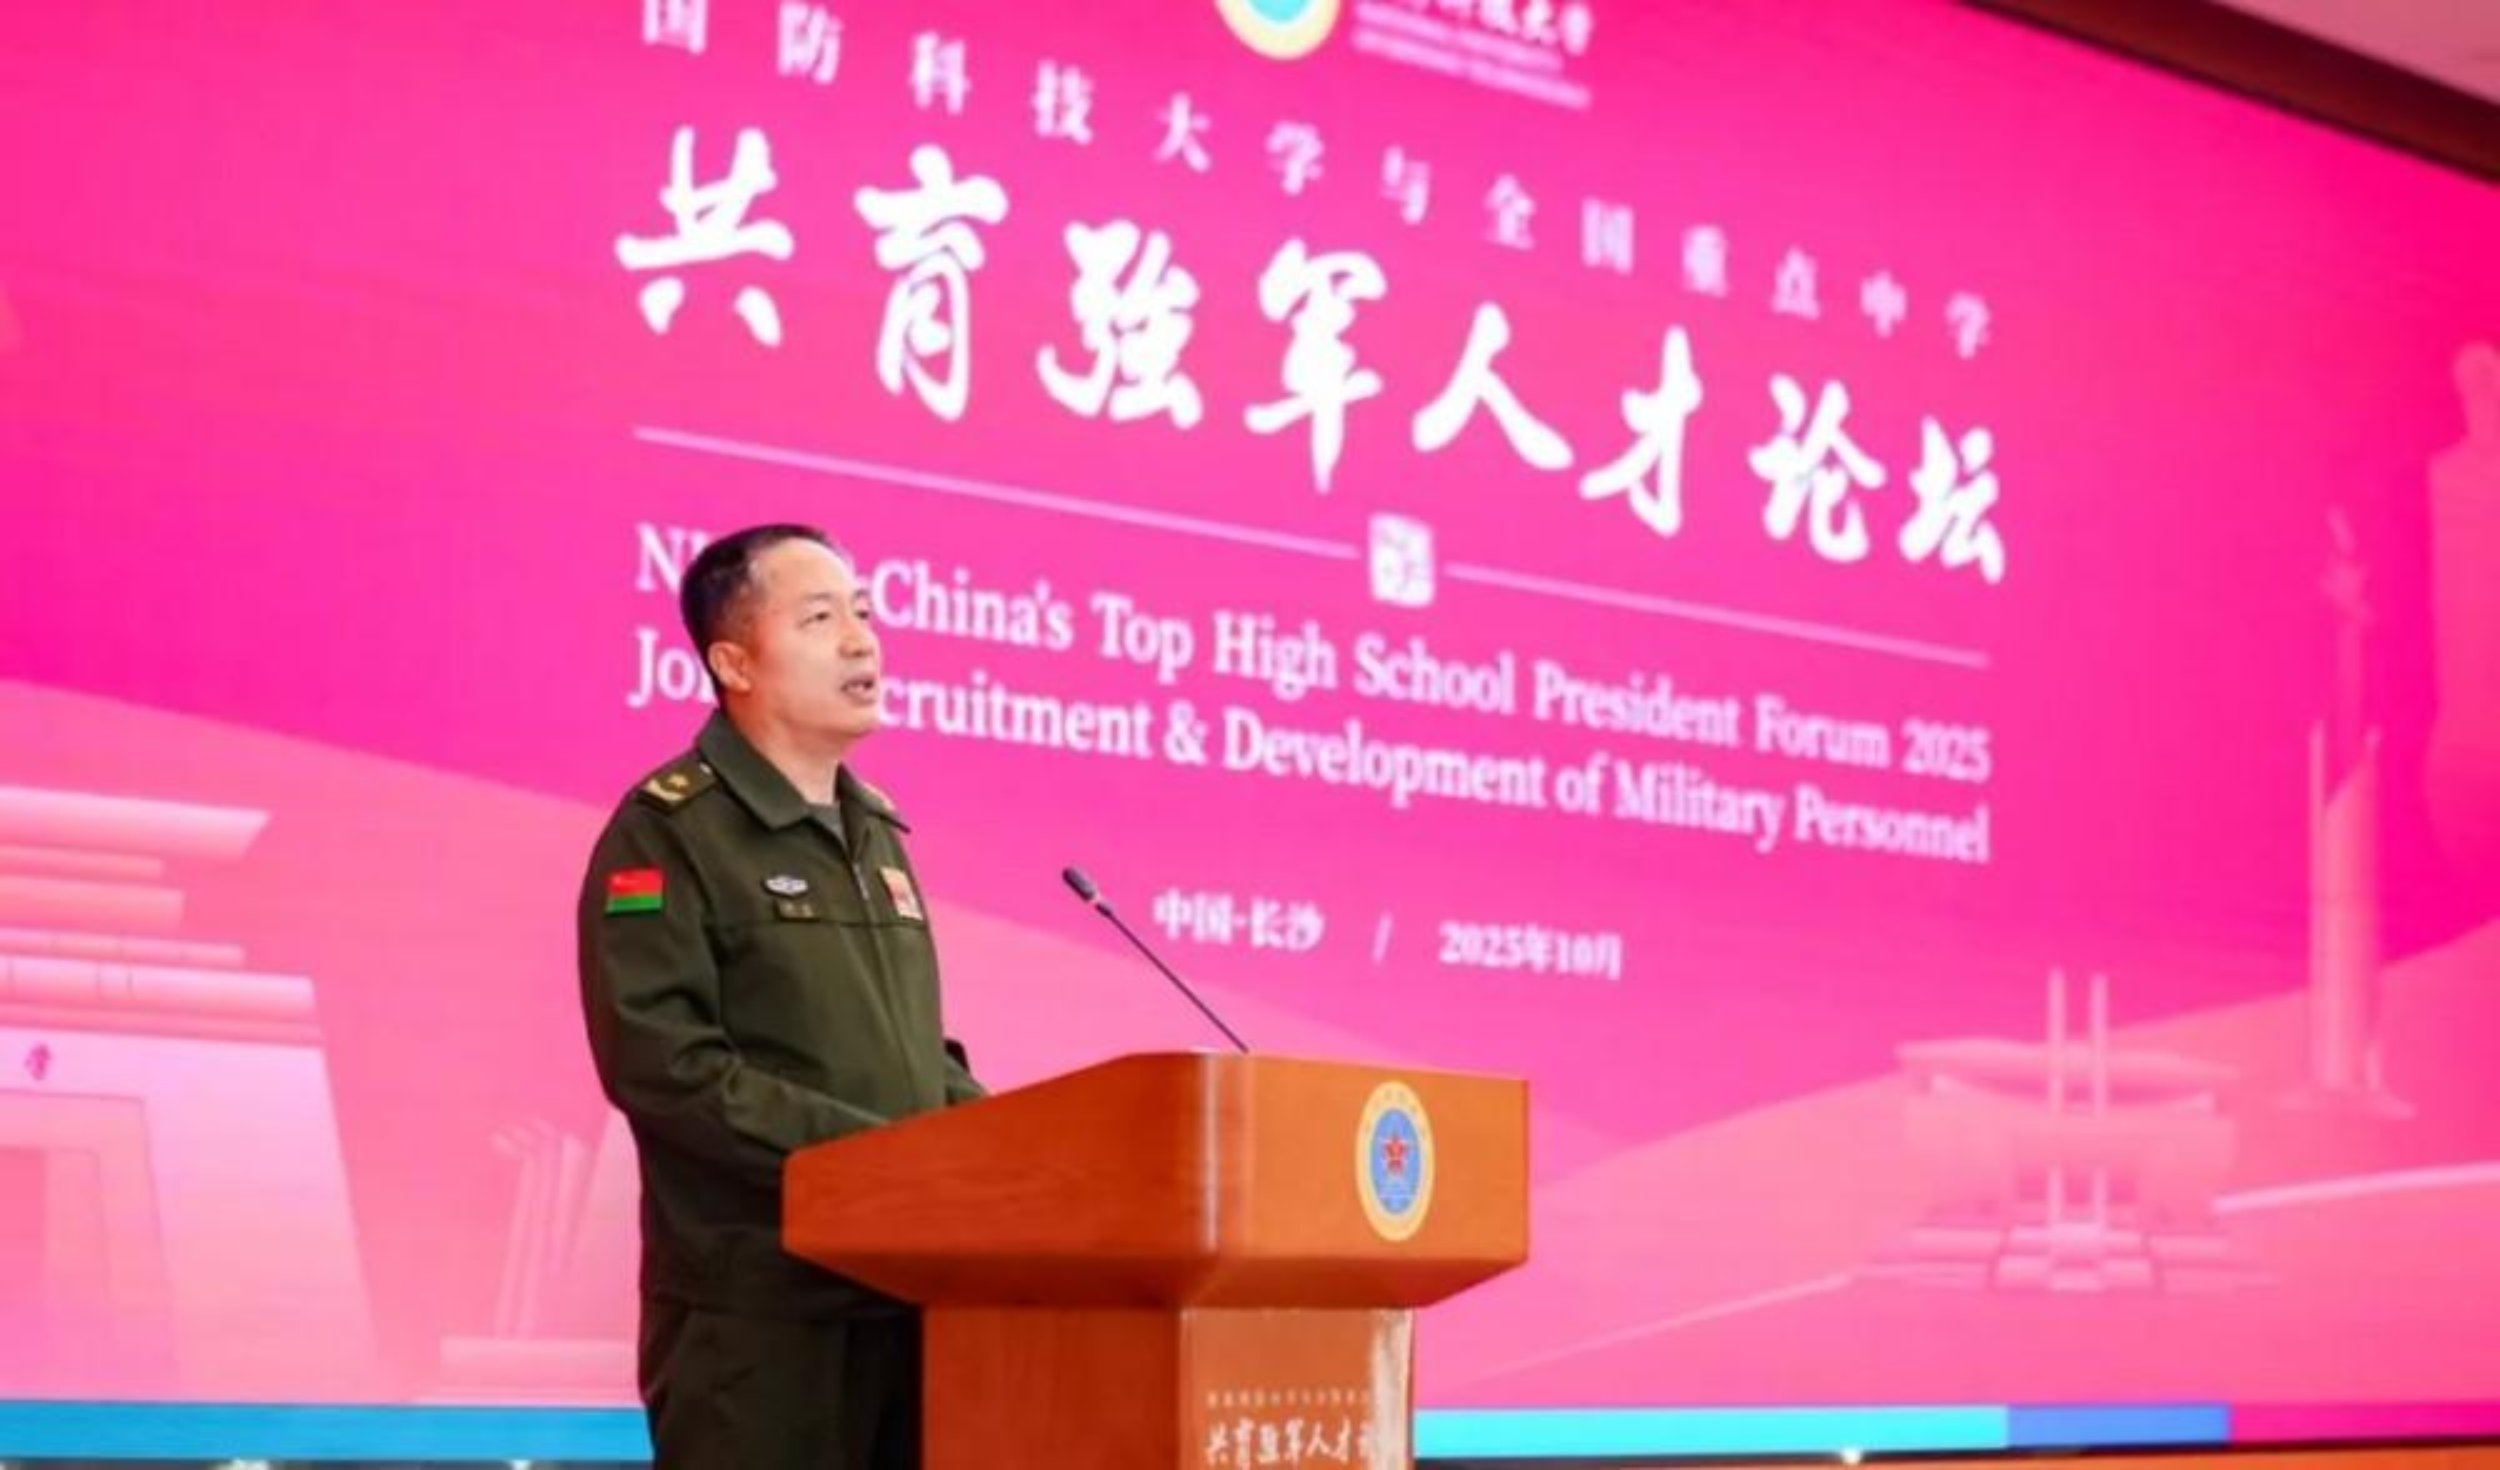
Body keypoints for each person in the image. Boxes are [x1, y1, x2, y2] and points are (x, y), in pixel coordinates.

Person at [577, 523, 983, 1470]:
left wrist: (1011, 1151)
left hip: (905, 1303)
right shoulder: (669, 832)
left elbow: (913, 1054)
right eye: (820, 618)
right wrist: (877, 1161)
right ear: (734, 663)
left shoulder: (877, 835)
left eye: (864, 613)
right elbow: (666, 1067)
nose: (862, 640)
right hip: (758, 1323)